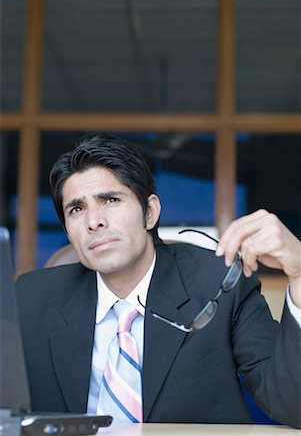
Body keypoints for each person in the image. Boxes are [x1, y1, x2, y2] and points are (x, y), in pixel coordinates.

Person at [16, 134, 301, 428]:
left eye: (110, 200)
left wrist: (300, 274)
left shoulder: (219, 285)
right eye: (77, 209)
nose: (93, 221)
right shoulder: (31, 298)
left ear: (149, 213)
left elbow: (293, 405)